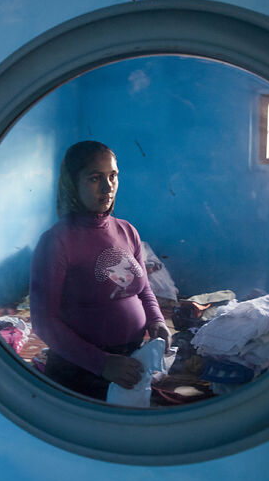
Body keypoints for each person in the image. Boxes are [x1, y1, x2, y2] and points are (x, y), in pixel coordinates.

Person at [30, 140, 171, 400]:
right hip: (81, 368)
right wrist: (102, 363)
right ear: (73, 183)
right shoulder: (57, 241)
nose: (108, 187)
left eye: (113, 176)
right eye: (95, 178)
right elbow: (42, 320)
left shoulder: (127, 231)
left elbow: (142, 290)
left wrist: (157, 321)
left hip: (130, 362)